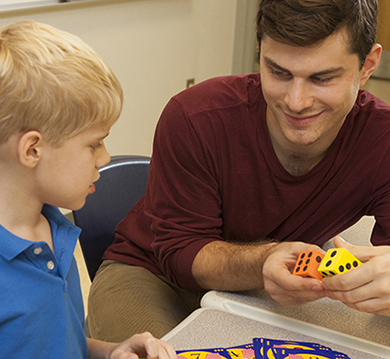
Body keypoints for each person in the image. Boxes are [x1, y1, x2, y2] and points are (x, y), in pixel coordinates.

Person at [88, 0, 390, 342]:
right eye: (278, 72)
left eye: (322, 78)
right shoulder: (195, 117)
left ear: (368, 66)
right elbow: (180, 253)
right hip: (151, 274)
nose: (296, 101)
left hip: (261, 291)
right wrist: (264, 261)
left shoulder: (383, 141)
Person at [0, 20, 177, 359]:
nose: (105, 158)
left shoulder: (55, 231)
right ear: (33, 150)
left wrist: (110, 351)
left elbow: (61, 345)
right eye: (94, 144)